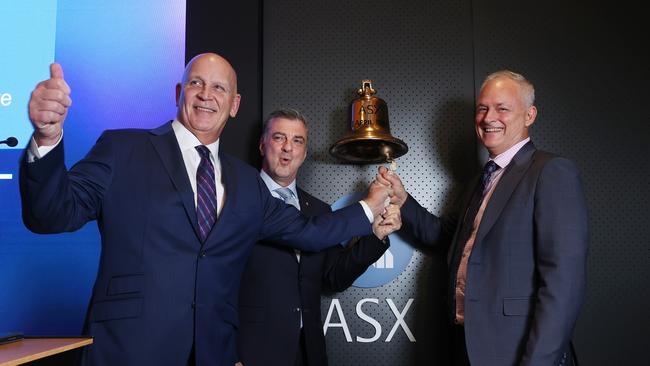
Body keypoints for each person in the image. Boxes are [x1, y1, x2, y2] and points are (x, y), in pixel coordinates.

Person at [20, 53, 392, 366]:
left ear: (234, 105)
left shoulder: (248, 183)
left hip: (213, 354)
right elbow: (51, 214)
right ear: (179, 91)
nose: (206, 95)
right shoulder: (122, 149)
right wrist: (47, 138)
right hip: (129, 350)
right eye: (197, 83)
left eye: (219, 87)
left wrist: (368, 207)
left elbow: (310, 233)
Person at [379, 70, 588, 365]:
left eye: (503, 108)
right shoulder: (482, 180)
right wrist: (403, 201)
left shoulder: (551, 172)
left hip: (518, 352)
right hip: (468, 348)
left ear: (530, 115)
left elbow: (563, 283)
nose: (489, 117)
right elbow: (448, 241)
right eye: (483, 108)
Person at [236, 109, 400, 366]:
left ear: (304, 151)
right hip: (253, 354)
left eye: (297, 140)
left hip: (309, 353)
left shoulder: (319, 210)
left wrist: (376, 234)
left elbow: (334, 277)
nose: (288, 148)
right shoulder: (239, 199)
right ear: (262, 144)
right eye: (279, 138)